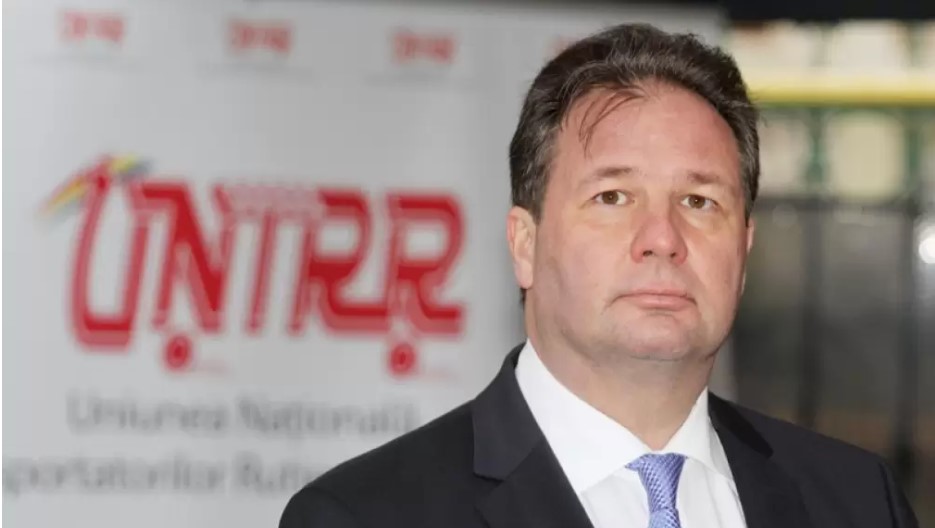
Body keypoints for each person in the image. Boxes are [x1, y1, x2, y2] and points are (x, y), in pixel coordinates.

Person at [279, 23, 918, 528]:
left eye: (699, 201)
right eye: (612, 197)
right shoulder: (366, 514)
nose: (663, 238)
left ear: (744, 251)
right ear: (524, 244)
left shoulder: (858, 501)